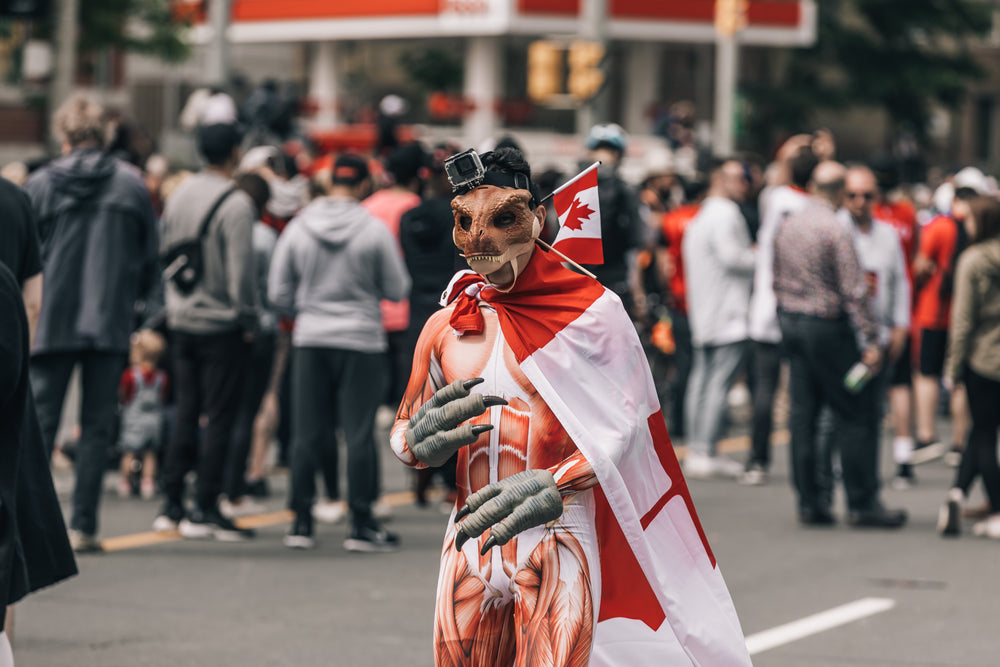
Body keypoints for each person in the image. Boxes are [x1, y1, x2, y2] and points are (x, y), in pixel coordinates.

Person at [390, 147, 750, 664]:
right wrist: (416, 441)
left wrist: (557, 481)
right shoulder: (448, 321)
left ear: (537, 219)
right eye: (464, 222)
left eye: (503, 219)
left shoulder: (592, 313)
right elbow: (407, 432)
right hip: (469, 536)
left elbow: (628, 431)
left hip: (556, 537)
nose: (478, 239)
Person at [24, 93, 158, 553]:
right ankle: (83, 525)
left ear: (64, 134)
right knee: (98, 426)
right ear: (105, 134)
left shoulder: (39, 185)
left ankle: (29, 525)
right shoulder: (130, 185)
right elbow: (149, 258)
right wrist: (143, 311)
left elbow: (22, 258)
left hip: (49, 319)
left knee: (39, 426)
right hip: (108, 318)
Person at [269, 153, 410, 551]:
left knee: (306, 432)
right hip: (362, 339)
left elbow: (278, 292)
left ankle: (300, 522)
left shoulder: (299, 227)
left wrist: (307, 309)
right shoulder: (374, 230)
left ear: (331, 182)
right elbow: (397, 288)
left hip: (311, 337)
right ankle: (361, 524)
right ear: (364, 184)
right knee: (359, 432)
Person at [773, 160, 906, 528]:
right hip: (827, 327)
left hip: (792, 323)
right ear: (836, 192)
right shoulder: (834, 228)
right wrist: (871, 339)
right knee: (855, 412)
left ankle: (810, 500)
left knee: (804, 415)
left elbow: (776, 276)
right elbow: (854, 290)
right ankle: (863, 502)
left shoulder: (788, 224)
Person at [154, 122, 258, 542]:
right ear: (235, 152)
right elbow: (242, 278)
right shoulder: (236, 204)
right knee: (219, 416)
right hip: (221, 324)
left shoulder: (178, 194)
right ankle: (206, 504)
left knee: (184, 409)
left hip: (181, 319)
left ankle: (172, 501)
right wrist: (249, 320)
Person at [745, 143, 816, 485]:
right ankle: (808, 465)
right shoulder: (816, 208)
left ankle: (757, 461)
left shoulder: (773, 199)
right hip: (802, 308)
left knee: (765, 387)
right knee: (806, 392)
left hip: (766, 305)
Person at [681, 158, 755, 479]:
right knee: (716, 384)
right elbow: (733, 257)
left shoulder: (700, 217)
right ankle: (706, 450)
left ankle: (699, 448)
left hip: (705, 311)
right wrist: (761, 253)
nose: (745, 185)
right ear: (720, 179)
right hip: (727, 312)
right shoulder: (726, 213)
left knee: (702, 381)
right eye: (739, 178)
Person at [838, 165, 911, 486]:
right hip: (842, 334)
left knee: (872, 412)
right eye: (852, 195)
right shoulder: (835, 229)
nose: (859, 201)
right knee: (839, 408)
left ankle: (866, 474)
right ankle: (840, 468)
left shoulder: (887, 233)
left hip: (879, 334)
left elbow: (900, 283)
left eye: (867, 195)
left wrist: (901, 326)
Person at [938, 196, 1000, 538]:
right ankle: (957, 493)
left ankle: (997, 507)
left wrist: (953, 368)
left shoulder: (973, 260)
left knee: (984, 434)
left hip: (983, 359)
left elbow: (962, 321)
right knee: (982, 431)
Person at [218, 171, 275, 518]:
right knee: (245, 413)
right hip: (257, 328)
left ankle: (214, 484)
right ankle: (234, 489)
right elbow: (274, 288)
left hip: (219, 326)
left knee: (220, 409)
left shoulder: (220, 227)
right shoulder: (265, 237)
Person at [911, 180, 978, 463]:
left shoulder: (938, 227)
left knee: (927, 374)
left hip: (934, 312)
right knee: (958, 379)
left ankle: (927, 436)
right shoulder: (980, 231)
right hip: (966, 316)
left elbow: (920, 266)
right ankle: (959, 443)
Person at [581, 123, 647, 317]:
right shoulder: (626, 190)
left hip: (582, 282)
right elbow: (636, 244)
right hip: (607, 284)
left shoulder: (569, 185)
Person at [116, 330, 170, 501]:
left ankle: (126, 481)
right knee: (150, 454)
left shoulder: (131, 375)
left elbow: (124, 394)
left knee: (129, 452)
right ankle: (148, 482)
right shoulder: (162, 377)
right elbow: (163, 396)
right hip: (154, 421)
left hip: (133, 419)